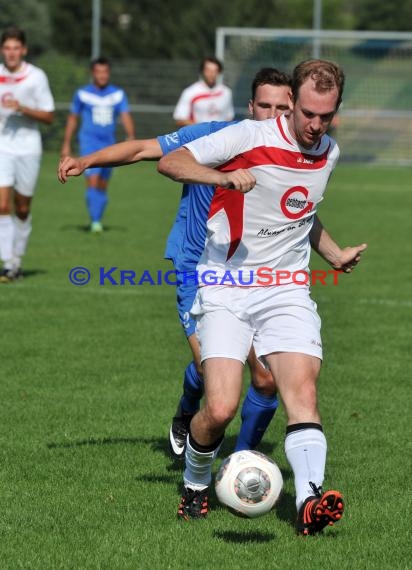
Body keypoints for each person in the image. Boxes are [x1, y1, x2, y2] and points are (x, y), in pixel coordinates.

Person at [158, 59, 367, 535]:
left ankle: (309, 502)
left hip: (286, 290)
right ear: (292, 102)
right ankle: (195, 483)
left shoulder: (328, 154)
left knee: (302, 391)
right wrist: (221, 178)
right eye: (309, 114)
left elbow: (300, 213)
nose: (316, 126)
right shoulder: (248, 137)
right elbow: (172, 162)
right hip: (225, 286)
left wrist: (333, 254)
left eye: (326, 116)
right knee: (219, 408)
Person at [58, 68, 292, 456]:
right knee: (209, 368)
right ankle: (186, 412)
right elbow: (141, 150)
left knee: (266, 379)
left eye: (281, 108)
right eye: (263, 105)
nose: (270, 114)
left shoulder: (293, 155)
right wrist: (88, 161)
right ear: (250, 106)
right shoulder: (215, 136)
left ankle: (243, 459)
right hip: (197, 265)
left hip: (255, 272)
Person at [0, 26, 55, 283]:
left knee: (22, 208)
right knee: (1, 205)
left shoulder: (36, 77)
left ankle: (17, 259)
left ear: (23, 50)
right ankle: (8, 263)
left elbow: (49, 116)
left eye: (15, 48)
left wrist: (22, 108)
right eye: (6, 48)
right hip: (2, 147)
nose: (11, 53)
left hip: (28, 148)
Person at [61, 57, 135, 233]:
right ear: (92, 73)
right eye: (98, 72)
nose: (102, 75)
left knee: (102, 184)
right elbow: (73, 118)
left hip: (108, 145)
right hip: (88, 143)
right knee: (92, 181)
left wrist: (131, 136)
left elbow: (125, 115)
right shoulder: (82, 94)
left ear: (109, 73)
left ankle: (97, 219)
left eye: (105, 72)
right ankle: (95, 222)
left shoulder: (117, 94)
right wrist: (66, 143)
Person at [173, 56, 234, 127]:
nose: (211, 74)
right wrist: (202, 129)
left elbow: (229, 118)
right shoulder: (190, 92)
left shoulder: (226, 92)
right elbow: (180, 120)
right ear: (202, 71)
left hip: (221, 137)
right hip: (199, 137)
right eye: (208, 70)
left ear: (219, 72)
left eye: (215, 70)